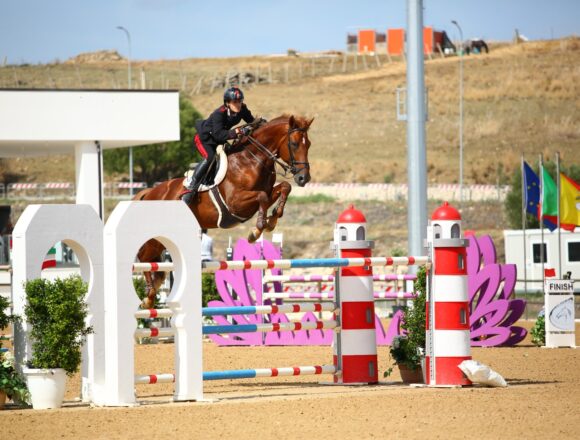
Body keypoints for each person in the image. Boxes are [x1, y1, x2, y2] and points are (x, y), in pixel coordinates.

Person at [182, 86, 255, 204]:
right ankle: (191, 187)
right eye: (235, 102)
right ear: (227, 103)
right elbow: (219, 135)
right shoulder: (219, 114)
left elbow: (251, 121)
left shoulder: (243, 109)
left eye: (240, 101)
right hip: (204, 139)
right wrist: (238, 132)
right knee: (210, 157)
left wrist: (263, 125)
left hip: (219, 138)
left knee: (232, 155)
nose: (238, 104)